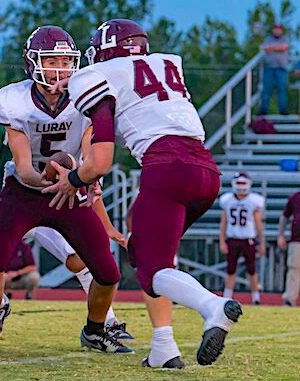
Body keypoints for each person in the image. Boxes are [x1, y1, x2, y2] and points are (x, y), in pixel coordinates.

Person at [45, 19, 242, 368]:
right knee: (145, 252)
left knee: (152, 269)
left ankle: (212, 306)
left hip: (166, 169)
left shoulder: (98, 76)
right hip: (206, 171)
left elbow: (101, 161)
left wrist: (74, 179)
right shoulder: (163, 65)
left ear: (104, 51)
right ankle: (164, 349)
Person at [0, 26, 132, 356]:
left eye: (66, 61)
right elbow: (23, 165)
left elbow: (90, 152)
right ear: (33, 63)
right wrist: (51, 175)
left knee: (108, 271)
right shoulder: (12, 100)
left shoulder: (87, 97)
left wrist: (77, 174)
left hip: (69, 192)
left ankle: (96, 330)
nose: (60, 69)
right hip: (25, 192)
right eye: (52, 60)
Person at [0, 116, 133, 340]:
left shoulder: (78, 117)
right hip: (10, 200)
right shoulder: (15, 112)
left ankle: (106, 321)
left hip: (58, 201)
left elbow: (90, 179)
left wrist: (106, 225)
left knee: (80, 260)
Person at [219, 172, 265, 305]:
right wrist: (222, 241)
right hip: (232, 238)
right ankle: (227, 297)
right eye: (238, 183)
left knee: (252, 269)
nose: (240, 186)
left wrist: (261, 242)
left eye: (243, 183)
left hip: (248, 239)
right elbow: (223, 222)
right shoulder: (227, 200)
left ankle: (256, 298)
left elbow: (258, 224)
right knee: (230, 269)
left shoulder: (253, 200)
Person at [259, 24, 289, 115]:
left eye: (279, 29)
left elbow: (284, 47)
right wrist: (277, 48)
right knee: (266, 90)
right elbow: (263, 48)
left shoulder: (285, 38)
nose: (277, 31)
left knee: (282, 90)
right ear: (273, 30)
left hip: (281, 69)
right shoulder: (268, 39)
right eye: (275, 29)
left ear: (282, 31)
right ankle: (263, 110)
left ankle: (283, 110)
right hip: (269, 68)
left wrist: (271, 48)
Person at [278, 191, 300, 306]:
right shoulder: (296, 197)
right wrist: (281, 234)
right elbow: (285, 216)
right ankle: (289, 300)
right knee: (294, 269)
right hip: (297, 239)